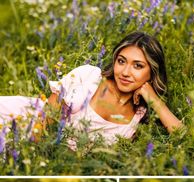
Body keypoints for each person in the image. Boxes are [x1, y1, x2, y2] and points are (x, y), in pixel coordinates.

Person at [0, 32, 182, 145]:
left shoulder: (140, 114)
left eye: (138, 66)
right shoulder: (89, 76)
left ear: (152, 72)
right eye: (121, 61)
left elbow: (184, 137)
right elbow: (44, 122)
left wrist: (156, 102)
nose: (125, 72)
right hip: (18, 122)